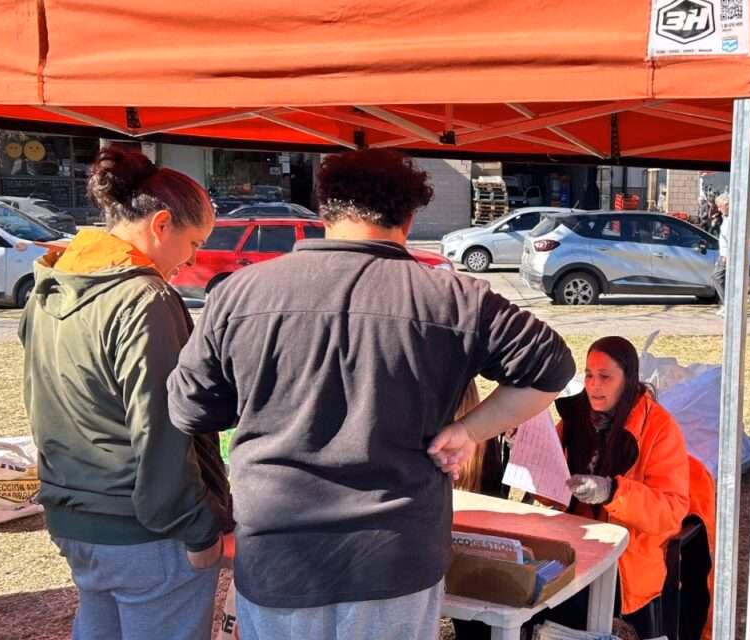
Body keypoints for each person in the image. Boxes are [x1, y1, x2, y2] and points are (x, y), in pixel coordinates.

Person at [166, 149, 575, 640]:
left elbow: (188, 406)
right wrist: (470, 431)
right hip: (395, 558)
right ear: (409, 217)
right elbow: (552, 369)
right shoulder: (453, 298)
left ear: (323, 211)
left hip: (279, 552)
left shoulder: (239, 293)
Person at [19, 146, 231, 640]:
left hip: (75, 516)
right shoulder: (145, 298)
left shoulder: (51, 282)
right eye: (194, 242)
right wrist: (196, 525)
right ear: (161, 225)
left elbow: (39, 400)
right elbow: (163, 424)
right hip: (146, 529)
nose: (193, 259)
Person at [556, 336, 691, 639]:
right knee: (533, 591)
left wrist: (613, 492)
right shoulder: (573, 418)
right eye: (589, 374)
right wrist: (525, 451)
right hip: (573, 545)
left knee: (568, 602)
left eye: (605, 377)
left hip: (630, 557)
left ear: (627, 379)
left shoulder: (660, 428)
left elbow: (670, 511)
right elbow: (551, 490)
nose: (593, 385)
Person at [710, 192, 731, 316]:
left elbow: (730, 238)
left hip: (726, 255)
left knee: (717, 277)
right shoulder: (725, 217)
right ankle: (725, 304)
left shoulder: (732, 218)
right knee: (717, 277)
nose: (718, 209)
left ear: (726, 204)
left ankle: (726, 305)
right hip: (723, 253)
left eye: (720, 206)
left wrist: (726, 255)